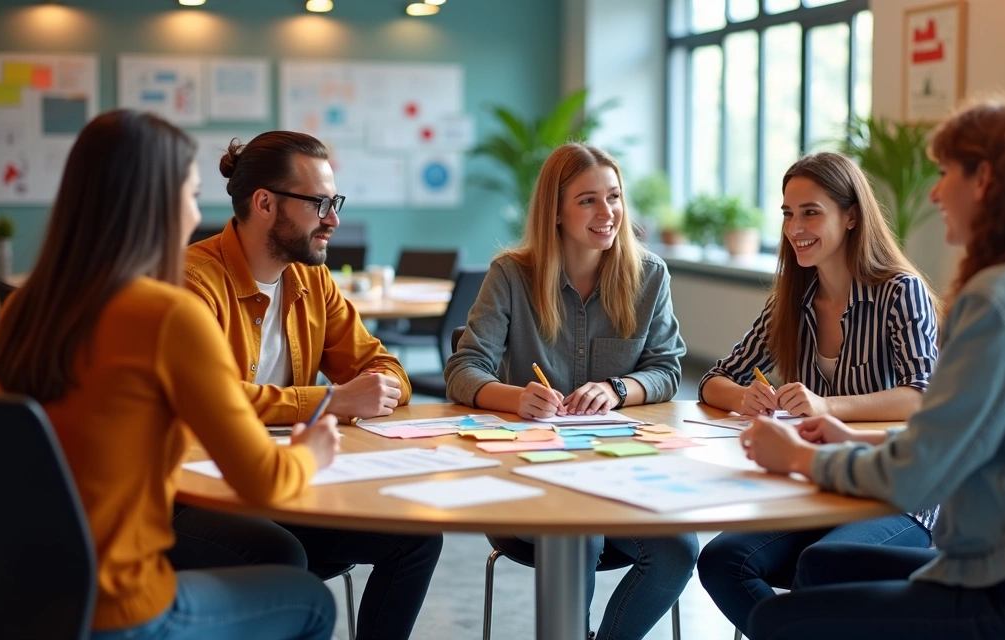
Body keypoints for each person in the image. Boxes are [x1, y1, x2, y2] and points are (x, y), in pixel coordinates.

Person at [740, 99, 1005, 640]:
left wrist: (796, 455)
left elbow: (918, 478)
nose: (934, 193)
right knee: (824, 568)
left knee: (777, 620)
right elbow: (966, 440)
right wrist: (853, 444)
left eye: (944, 173)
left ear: (983, 179)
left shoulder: (998, 300)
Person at [0, 109, 339, 639]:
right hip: (124, 607)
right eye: (193, 193)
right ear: (156, 201)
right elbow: (263, 480)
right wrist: (310, 452)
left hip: (23, 598)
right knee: (312, 602)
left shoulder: (22, 309)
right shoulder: (165, 316)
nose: (196, 211)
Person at [171, 131, 442, 640]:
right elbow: (213, 402)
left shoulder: (310, 280)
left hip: (283, 484)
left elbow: (384, 366)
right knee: (279, 553)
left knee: (416, 535)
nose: (333, 219)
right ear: (266, 203)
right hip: (195, 497)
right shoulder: (193, 282)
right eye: (320, 203)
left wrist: (380, 383)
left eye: (334, 202)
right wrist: (331, 400)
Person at [444, 142, 695, 640]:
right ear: (555, 211)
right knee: (577, 534)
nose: (608, 214)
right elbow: (464, 368)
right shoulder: (511, 276)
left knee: (679, 549)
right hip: (532, 474)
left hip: (623, 472)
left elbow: (667, 369)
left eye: (615, 197)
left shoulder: (649, 276)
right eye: (588, 201)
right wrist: (514, 396)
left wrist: (618, 388)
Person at [695, 151, 941, 633]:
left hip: (895, 494)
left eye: (811, 212)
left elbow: (922, 396)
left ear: (851, 216)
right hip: (814, 486)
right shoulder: (791, 296)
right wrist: (745, 398)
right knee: (721, 559)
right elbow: (714, 380)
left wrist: (829, 405)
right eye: (788, 213)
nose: (795, 227)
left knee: (822, 567)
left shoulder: (899, 291)